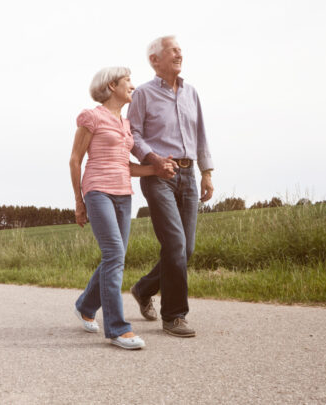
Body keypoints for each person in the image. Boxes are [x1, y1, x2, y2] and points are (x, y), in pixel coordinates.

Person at [69, 66, 176, 350]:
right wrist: (79, 201)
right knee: (115, 254)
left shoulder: (126, 124)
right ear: (112, 85)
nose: (133, 85)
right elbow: (75, 160)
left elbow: (125, 166)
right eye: (128, 80)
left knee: (113, 256)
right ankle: (117, 328)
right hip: (97, 191)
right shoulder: (91, 116)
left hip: (123, 194)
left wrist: (156, 169)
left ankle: (85, 305)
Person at [127, 35, 214, 338]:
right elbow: (133, 136)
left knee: (185, 248)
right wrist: (153, 159)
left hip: (189, 176)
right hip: (158, 176)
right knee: (175, 243)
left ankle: (143, 288)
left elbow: (200, 134)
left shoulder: (191, 93)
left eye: (180, 50)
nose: (180, 53)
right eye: (173, 50)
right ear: (155, 60)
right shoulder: (143, 95)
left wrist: (207, 172)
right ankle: (174, 315)